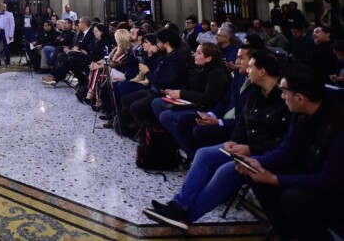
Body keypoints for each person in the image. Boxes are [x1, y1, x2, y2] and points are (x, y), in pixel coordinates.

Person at [143, 49, 289, 231]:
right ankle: (178, 206)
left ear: (262, 71)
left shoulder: (285, 99)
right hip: (245, 146)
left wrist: (250, 149)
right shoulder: (255, 91)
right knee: (204, 154)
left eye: (250, 66)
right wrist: (234, 141)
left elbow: (283, 141)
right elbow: (243, 121)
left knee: (225, 171)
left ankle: (186, 216)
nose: (246, 70)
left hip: (263, 153)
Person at [235, 64, 344, 241]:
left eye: (284, 92)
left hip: (335, 189)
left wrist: (276, 179)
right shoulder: (300, 113)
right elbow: (288, 149)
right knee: (255, 175)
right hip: (311, 173)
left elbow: (329, 180)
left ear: (300, 97)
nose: (282, 96)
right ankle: (289, 236)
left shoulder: (338, 124)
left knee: (293, 198)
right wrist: (259, 163)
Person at [0, 2, 14, 67]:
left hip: (6, 33)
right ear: (0, 7)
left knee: (7, 48)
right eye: (2, 7)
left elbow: (12, 25)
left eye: (5, 7)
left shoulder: (10, 14)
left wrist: (11, 34)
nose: (4, 8)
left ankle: (7, 63)